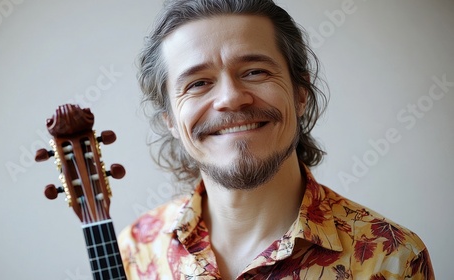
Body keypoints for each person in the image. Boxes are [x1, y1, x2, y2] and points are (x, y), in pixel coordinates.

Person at [118, 0, 435, 279]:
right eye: (198, 83)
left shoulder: (392, 259)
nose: (231, 98)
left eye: (255, 71)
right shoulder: (136, 249)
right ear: (171, 120)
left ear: (300, 93)